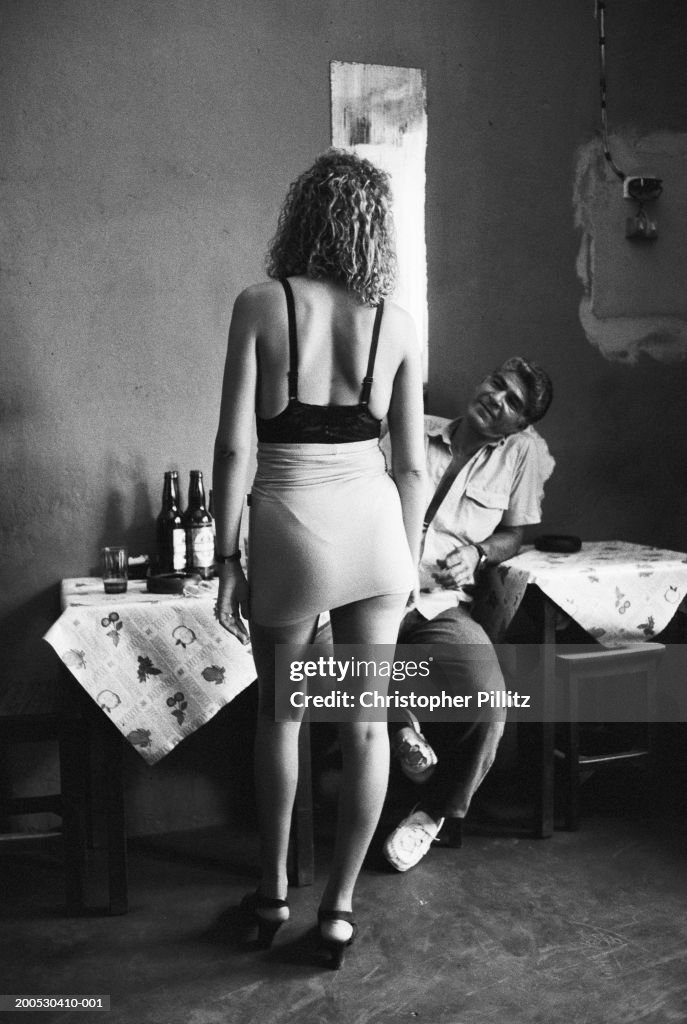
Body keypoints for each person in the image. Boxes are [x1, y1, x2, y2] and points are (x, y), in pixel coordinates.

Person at [212, 150, 425, 966]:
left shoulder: (262, 305)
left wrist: (228, 557)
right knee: (366, 726)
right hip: (374, 529)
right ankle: (336, 911)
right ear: (375, 232)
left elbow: (234, 446)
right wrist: (403, 570)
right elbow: (409, 466)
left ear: (302, 218)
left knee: (283, 716)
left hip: (290, 524)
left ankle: (270, 894)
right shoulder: (395, 324)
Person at [381, 356, 554, 872]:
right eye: (496, 384)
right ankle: (400, 727)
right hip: (376, 594)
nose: (496, 399)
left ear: (520, 425)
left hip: (441, 605)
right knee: (330, 659)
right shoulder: (413, 429)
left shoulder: (520, 457)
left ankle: (432, 815)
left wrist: (479, 554)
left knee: (489, 698)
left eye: (513, 403)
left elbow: (515, 534)